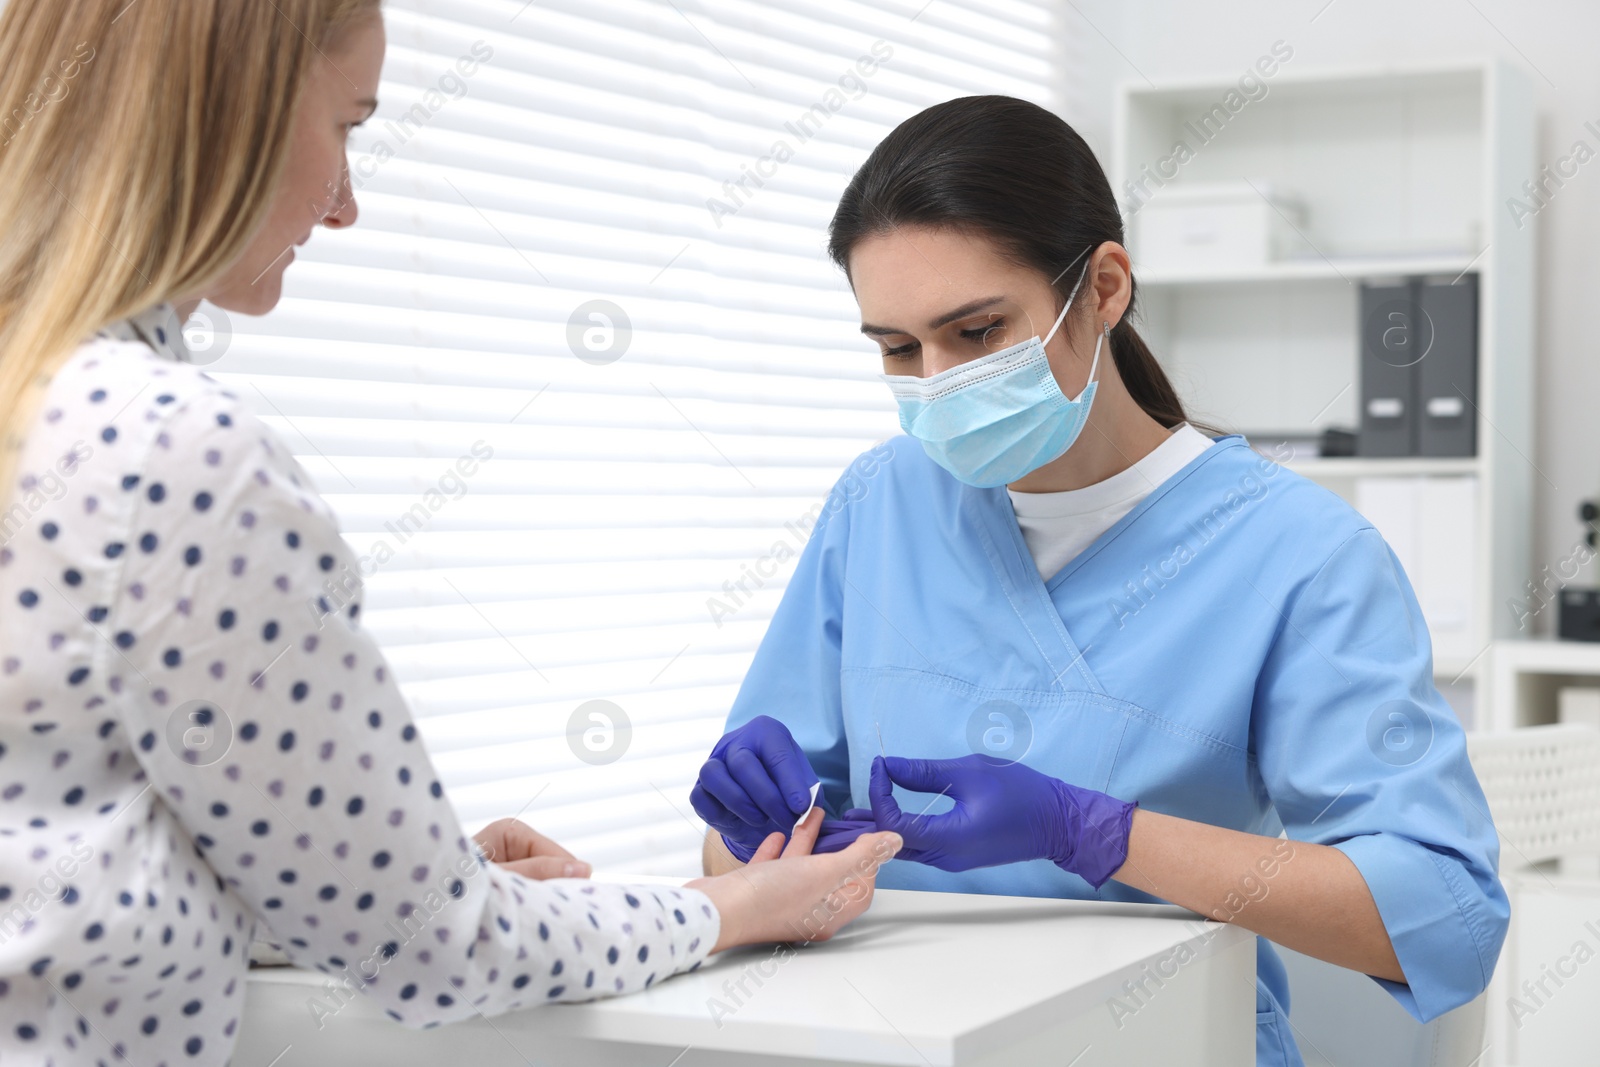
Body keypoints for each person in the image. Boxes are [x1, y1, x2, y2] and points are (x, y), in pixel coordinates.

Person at [0, 2, 902, 1064]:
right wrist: (734, 905)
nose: (345, 206)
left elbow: (65, 844)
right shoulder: (172, 452)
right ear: (222, 110)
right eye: (345, 126)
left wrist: (357, 870)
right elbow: (437, 947)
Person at [691, 95, 1509, 1067]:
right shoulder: (878, 502)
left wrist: (1095, 832)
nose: (936, 381)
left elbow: (1447, 916)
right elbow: (746, 863)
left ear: (1104, 287)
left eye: (977, 331)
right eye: (898, 349)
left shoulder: (1299, 554)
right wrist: (747, 834)